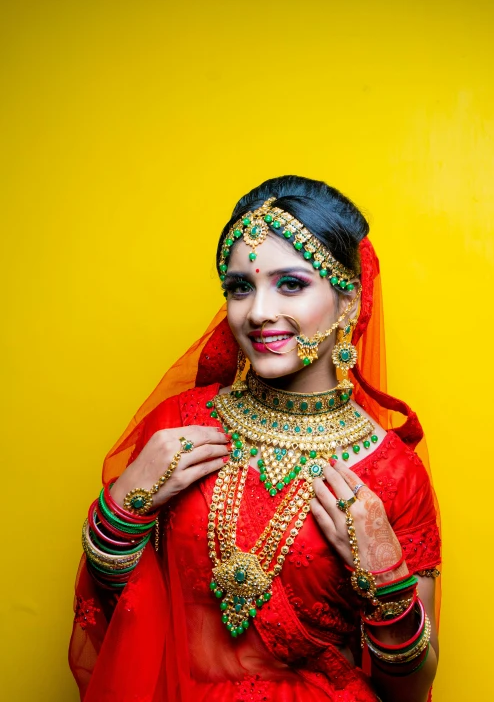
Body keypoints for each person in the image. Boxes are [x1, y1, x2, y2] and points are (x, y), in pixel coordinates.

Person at [70, 176, 441, 702]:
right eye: (240, 287)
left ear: (348, 301)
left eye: (290, 284)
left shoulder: (393, 472)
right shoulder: (179, 429)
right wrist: (119, 512)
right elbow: (113, 615)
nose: (258, 312)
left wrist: (389, 582)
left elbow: (410, 692)